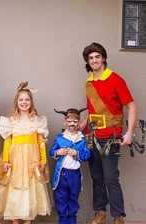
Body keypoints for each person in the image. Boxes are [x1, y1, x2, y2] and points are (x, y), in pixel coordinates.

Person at [81, 42, 137, 224]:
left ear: (103, 58)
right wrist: (83, 123)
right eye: (91, 58)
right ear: (87, 62)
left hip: (111, 136)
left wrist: (128, 132)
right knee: (96, 176)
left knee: (110, 177)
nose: (94, 60)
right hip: (92, 134)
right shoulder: (89, 81)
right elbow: (94, 109)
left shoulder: (116, 79)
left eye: (97, 56)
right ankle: (100, 213)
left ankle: (118, 216)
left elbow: (131, 106)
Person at [0, 81, 51, 224]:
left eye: (27, 99)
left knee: (30, 185)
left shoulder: (37, 121)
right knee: (15, 185)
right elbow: (7, 142)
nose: (24, 102)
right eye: (21, 99)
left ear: (31, 102)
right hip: (15, 158)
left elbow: (41, 142)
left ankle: (28, 220)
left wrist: (43, 160)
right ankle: (15, 219)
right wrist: (6, 160)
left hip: (32, 158)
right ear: (16, 102)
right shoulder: (10, 121)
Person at [50, 108, 90, 224]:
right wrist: (58, 152)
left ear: (79, 123)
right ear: (65, 122)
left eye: (75, 121)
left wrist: (76, 153)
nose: (72, 124)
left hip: (75, 174)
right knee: (61, 198)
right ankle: (62, 219)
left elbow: (87, 155)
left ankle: (72, 220)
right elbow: (51, 152)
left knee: (73, 197)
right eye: (69, 121)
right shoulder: (59, 138)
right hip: (62, 174)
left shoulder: (82, 139)